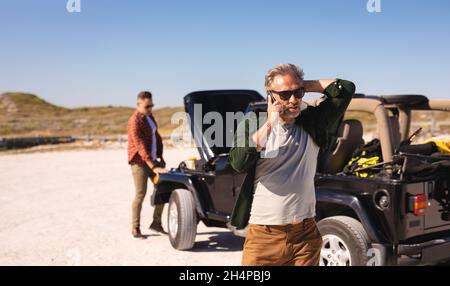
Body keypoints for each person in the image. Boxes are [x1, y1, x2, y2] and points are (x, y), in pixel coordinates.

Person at [229, 64, 355, 265]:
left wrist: (302, 83)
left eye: (298, 92)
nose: (294, 100)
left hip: (305, 235)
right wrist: (270, 123)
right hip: (264, 236)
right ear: (271, 96)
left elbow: (346, 88)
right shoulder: (254, 123)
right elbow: (238, 162)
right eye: (285, 94)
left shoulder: (313, 121)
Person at [127, 91, 167, 238]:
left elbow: (156, 137)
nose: (150, 108)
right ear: (138, 104)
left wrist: (160, 158)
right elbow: (140, 146)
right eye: (147, 106)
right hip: (140, 163)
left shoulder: (150, 117)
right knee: (140, 194)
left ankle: (156, 223)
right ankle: (135, 228)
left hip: (154, 160)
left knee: (163, 189)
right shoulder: (134, 121)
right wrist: (153, 166)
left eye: (152, 105)